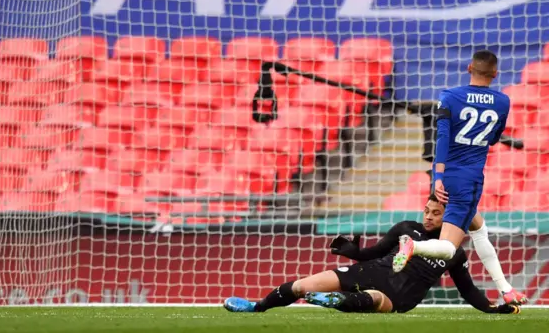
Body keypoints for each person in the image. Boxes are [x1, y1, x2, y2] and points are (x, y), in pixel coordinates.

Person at [223, 196, 520, 314]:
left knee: (375, 300)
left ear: (449, 217)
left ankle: (336, 302)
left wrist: (492, 309)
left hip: (400, 294)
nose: (428, 217)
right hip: (371, 271)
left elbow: (467, 289)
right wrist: (354, 252)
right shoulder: (406, 228)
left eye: (436, 213)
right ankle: (257, 307)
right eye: (426, 210)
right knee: (302, 285)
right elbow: (373, 253)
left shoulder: (452, 252)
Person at [392, 50, 526, 305]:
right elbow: (494, 138)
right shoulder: (502, 101)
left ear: (468, 68)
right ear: (495, 74)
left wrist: (438, 177)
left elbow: (442, 137)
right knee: (448, 248)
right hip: (469, 180)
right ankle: (413, 246)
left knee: (479, 228)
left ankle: (506, 290)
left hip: (444, 176)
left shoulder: (449, 96)